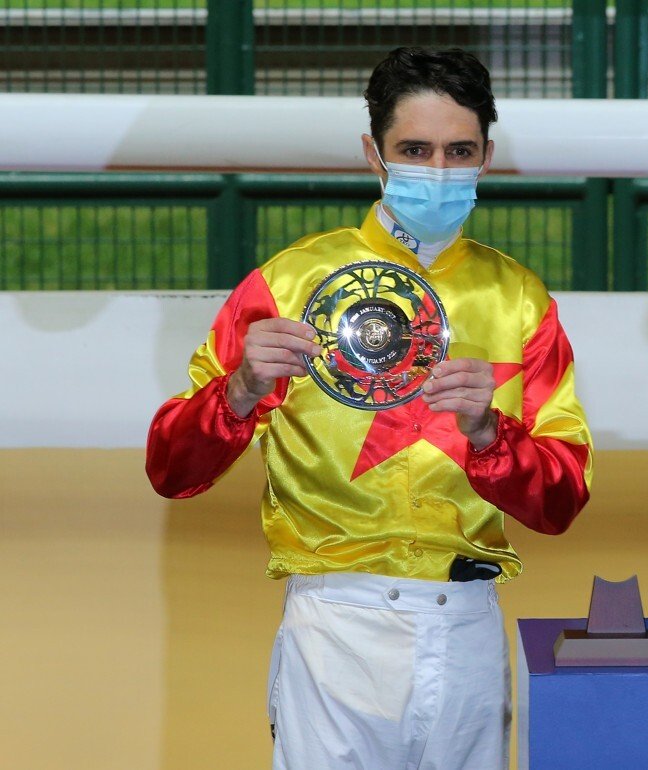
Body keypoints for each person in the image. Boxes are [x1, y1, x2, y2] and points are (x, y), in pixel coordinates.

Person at [146, 47, 592, 769]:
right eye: (414, 149)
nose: (438, 170)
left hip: (469, 630)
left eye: (459, 150)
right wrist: (240, 392)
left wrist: (488, 433)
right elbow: (170, 469)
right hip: (333, 627)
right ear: (373, 153)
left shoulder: (521, 298)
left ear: (487, 155)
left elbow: (563, 500)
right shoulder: (284, 284)